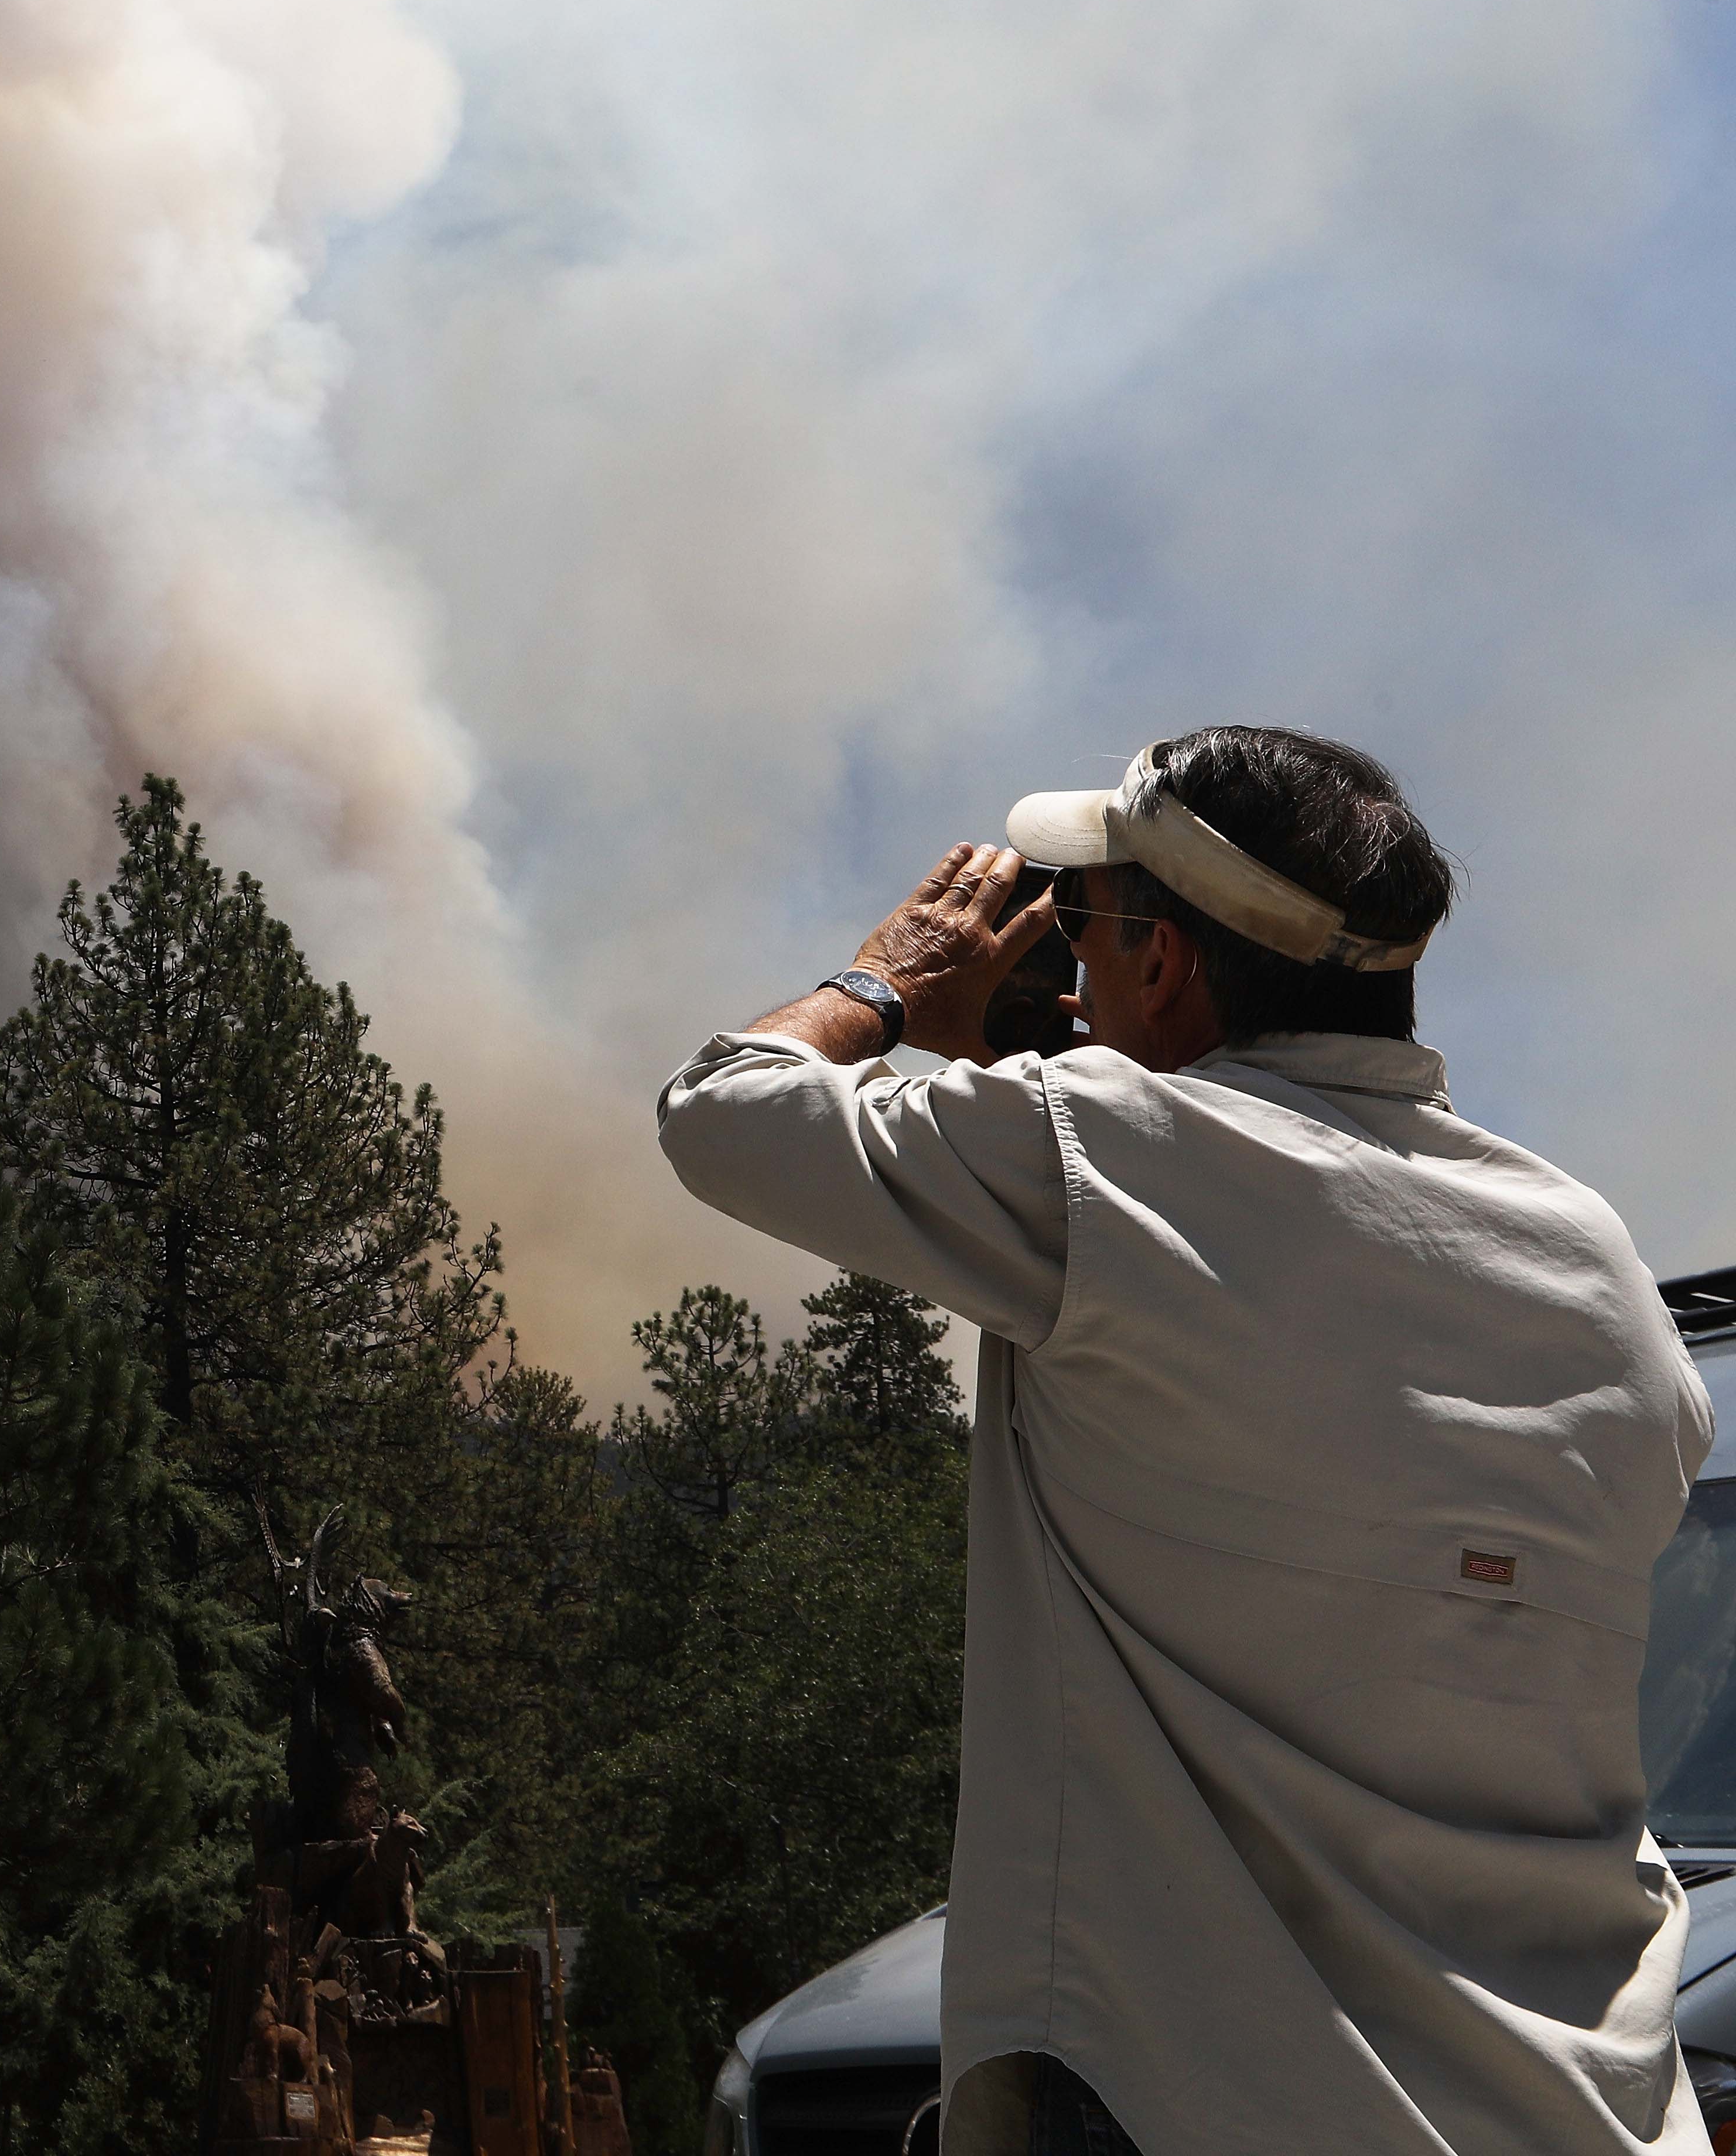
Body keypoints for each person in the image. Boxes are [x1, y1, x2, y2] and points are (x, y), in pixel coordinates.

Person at [657, 726, 1711, 2156]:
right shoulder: (1595, 1266)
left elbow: (727, 1109)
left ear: (1165, 964)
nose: (1073, 970)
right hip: (1584, 2109)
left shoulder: (1101, 1153)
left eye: (1089, 930)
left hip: (1195, 2089)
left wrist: (888, 982)